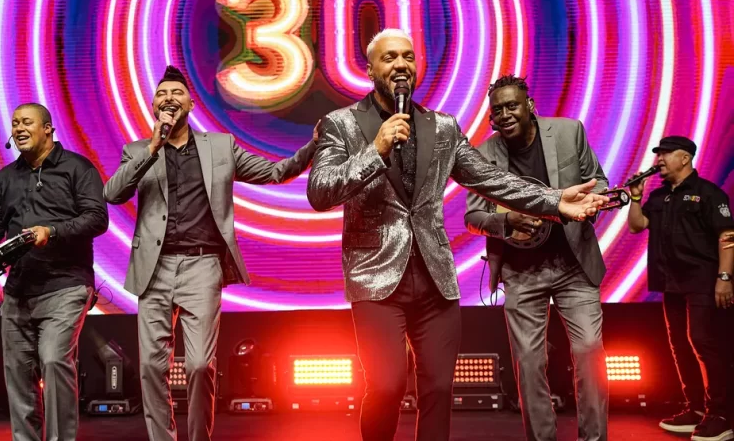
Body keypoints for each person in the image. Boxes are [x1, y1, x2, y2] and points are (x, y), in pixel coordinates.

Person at [306, 29, 609, 441]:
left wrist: (555, 201)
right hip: (376, 280)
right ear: (370, 68)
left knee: (438, 389)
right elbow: (320, 192)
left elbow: (492, 180)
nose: (401, 65)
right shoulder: (340, 125)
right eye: (390, 57)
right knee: (388, 386)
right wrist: (375, 150)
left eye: (408, 57)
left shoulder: (443, 127)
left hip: (435, 280)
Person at [104, 65, 319, 441]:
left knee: (201, 365)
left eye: (177, 93)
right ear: (154, 105)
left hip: (202, 265)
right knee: (152, 367)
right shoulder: (137, 149)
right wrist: (152, 148)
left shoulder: (220, 146)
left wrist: (311, 148)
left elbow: (272, 172)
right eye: (162, 94)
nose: (169, 99)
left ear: (190, 102)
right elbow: (112, 193)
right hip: (153, 268)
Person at [464, 75, 609, 441]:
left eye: (512, 105)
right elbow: (472, 218)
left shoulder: (568, 132)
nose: (505, 114)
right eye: (497, 110)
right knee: (529, 363)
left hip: (572, 265)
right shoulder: (483, 155)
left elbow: (599, 182)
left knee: (590, 351)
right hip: (520, 270)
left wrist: (592, 205)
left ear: (529, 105)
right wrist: (506, 220)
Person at [0, 103, 108, 441]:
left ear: (48, 128)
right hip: (18, 291)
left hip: (66, 286)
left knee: (53, 361)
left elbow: (97, 218)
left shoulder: (77, 168)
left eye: (27, 122)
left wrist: (53, 231)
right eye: (15, 123)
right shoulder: (5, 178)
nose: (18, 128)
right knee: (18, 375)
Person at [626, 136, 734, 441]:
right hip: (669, 282)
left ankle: (721, 415)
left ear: (684, 158)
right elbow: (637, 225)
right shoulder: (660, 196)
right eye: (658, 154)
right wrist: (635, 197)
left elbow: (727, 236)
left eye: (665, 154)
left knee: (703, 342)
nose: (658, 160)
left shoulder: (708, 194)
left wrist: (725, 278)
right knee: (679, 345)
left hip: (702, 279)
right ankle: (696, 409)